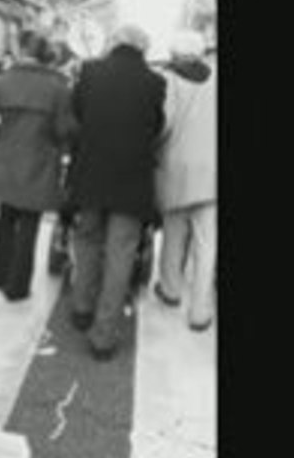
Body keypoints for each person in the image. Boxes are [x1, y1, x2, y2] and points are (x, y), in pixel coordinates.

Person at [67, 24, 166, 360]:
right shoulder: (155, 82)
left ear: (114, 44)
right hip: (131, 179)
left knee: (87, 239)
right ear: (144, 48)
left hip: (91, 173)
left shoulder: (91, 71)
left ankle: (81, 307)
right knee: (121, 253)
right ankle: (104, 337)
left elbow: (77, 112)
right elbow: (155, 126)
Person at [0, 30, 75, 301]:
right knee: (29, 223)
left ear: (21, 50)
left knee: (6, 217)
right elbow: (65, 129)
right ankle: (17, 286)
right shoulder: (58, 87)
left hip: (7, 157)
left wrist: (0, 140)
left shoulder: (3, 81)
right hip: (41, 159)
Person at [153, 30, 217, 331]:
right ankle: (200, 312)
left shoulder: (169, 80)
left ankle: (170, 291)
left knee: (173, 234)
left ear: (175, 54)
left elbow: (163, 125)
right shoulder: (216, 76)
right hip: (212, 171)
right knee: (207, 245)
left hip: (176, 168)